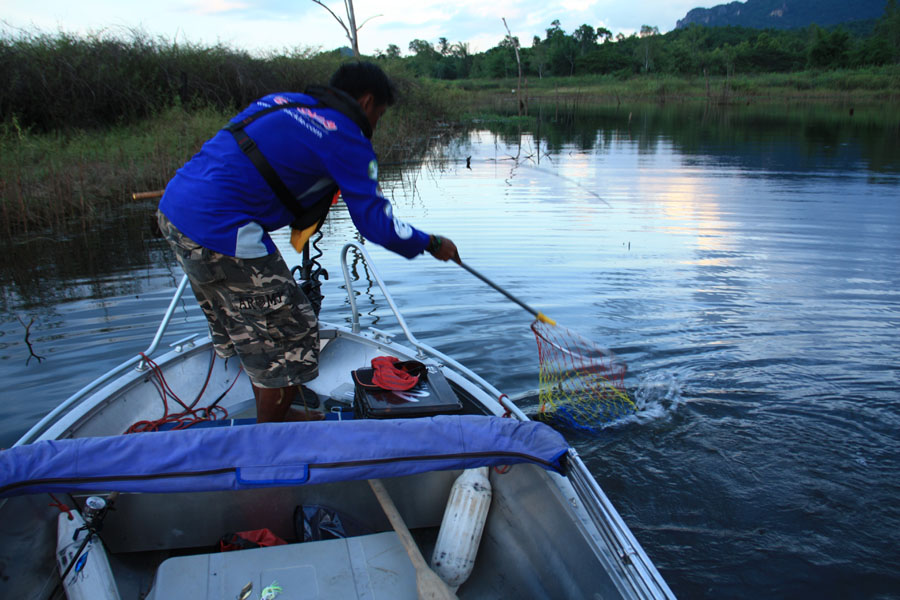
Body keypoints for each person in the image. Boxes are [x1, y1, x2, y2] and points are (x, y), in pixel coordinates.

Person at [157, 61, 459, 423]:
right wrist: (431, 242)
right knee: (293, 333)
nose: (375, 124)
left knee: (245, 325)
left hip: (174, 212)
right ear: (365, 102)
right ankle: (271, 438)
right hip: (221, 230)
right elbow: (376, 224)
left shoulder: (281, 102)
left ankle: (273, 404)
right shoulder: (346, 137)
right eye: (379, 113)